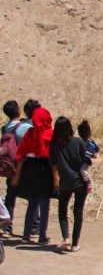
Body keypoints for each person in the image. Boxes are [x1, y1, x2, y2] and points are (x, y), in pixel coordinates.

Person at [49, 116, 91, 252]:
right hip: (80, 181)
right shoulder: (78, 142)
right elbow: (88, 160)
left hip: (65, 182)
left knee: (62, 209)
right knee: (78, 212)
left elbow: (54, 165)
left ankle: (66, 237)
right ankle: (75, 244)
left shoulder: (54, 144)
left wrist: (55, 180)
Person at [12, 103, 53, 244]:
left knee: (32, 203)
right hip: (44, 169)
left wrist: (17, 175)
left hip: (29, 170)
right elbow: (54, 156)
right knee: (44, 204)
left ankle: (25, 235)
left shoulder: (29, 133)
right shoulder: (50, 134)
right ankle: (42, 236)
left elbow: (21, 155)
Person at [2, 100, 30, 236]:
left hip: (9, 166)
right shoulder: (24, 127)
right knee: (32, 195)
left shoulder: (4, 128)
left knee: (10, 196)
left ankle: (7, 227)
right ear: (19, 110)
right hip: (24, 166)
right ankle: (34, 226)